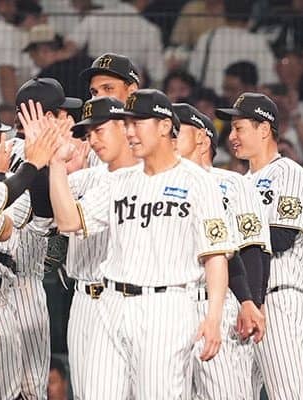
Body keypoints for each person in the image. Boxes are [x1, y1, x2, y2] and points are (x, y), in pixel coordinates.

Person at [46, 89, 232, 398]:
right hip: (111, 305)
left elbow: (215, 256)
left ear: (164, 126)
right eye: (127, 124)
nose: (130, 132)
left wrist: (213, 317)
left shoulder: (198, 182)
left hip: (167, 306)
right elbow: (68, 222)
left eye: (138, 123)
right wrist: (55, 164)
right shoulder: (119, 181)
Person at [217, 92, 303, 399]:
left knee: (286, 394)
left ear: (263, 128)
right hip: (244, 300)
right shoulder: (240, 182)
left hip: (280, 298)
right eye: (231, 129)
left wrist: (228, 241)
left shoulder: (289, 173)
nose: (231, 137)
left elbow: (283, 236)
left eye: (239, 128)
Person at [174, 102, 269, 400]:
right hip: (172, 304)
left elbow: (251, 246)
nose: (169, 137)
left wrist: (251, 301)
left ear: (202, 139)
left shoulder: (232, 183)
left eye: (177, 131)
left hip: (219, 302)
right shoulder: (157, 184)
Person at [59, 96, 140, 398]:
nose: (92, 140)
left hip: (135, 299)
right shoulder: (88, 177)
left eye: (99, 130)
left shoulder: (153, 177)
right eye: (88, 133)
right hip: (85, 298)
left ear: (124, 127)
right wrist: (55, 164)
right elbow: (48, 211)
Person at [8, 77, 82, 400]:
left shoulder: (1, 150)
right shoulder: (39, 161)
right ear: (48, 117)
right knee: (28, 391)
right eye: (63, 113)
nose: (69, 120)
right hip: (21, 285)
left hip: (11, 282)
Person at [63, 0, 165, 84]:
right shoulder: (149, 30)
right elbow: (158, 73)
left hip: (96, 81)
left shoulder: (95, 16)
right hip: (127, 86)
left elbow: (71, 45)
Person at [188, 1, 277, 97]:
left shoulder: (207, 38)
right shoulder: (258, 41)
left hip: (211, 101)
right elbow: (269, 80)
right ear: (251, 15)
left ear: (224, 12)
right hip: (243, 102)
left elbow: (193, 74)